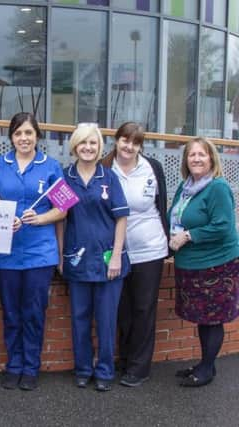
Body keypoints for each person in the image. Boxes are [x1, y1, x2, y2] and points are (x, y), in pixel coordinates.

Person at [0, 112, 65, 391]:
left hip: (39, 253)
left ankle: (31, 367)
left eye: (29, 133)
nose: (24, 138)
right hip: (5, 253)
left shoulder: (51, 167)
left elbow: (63, 207)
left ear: (37, 136)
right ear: (11, 137)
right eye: (18, 133)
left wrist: (42, 218)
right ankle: (14, 365)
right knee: (11, 313)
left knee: (33, 312)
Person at [58, 123, 129, 392]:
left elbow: (121, 218)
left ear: (100, 147)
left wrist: (117, 257)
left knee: (107, 319)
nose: (88, 148)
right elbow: (60, 221)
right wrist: (61, 256)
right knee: (79, 318)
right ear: (75, 146)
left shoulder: (109, 177)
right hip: (76, 260)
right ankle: (83, 368)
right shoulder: (65, 178)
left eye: (93, 143)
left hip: (108, 261)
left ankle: (105, 370)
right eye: (83, 143)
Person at [168, 137, 239, 387]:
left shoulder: (217, 187)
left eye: (202, 154)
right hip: (190, 263)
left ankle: (207, 368)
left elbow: (223, 226)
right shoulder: (185, 186)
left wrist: (188, 235)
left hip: (216, 264)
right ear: (186, 160)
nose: (196, 159)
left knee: (213, 318)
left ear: (212, 159)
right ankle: (204, 363)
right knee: (202, 317)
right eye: (191, 155)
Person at [101, 122, 169, 387]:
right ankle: (126, 359)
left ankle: (139, 368)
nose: (129, 146)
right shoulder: (105, 168)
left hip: (150, 250)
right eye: (125, 140)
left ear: (141, 145)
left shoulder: (153, 168)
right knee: (123, 309)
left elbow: (161, 204)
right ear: (116, 141)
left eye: (135, 142)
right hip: (117, 252)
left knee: (143, 309)